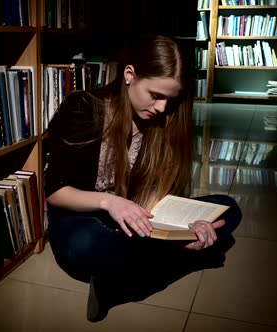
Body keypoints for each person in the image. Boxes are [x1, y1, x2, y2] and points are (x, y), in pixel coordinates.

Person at [44, 34, 242, 322]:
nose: (162, 108)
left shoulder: (166, 118)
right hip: (85, 218)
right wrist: (109, 202)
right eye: (155, 95)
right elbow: (55, 191)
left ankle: (118, 279)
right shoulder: (83, 109)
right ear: (129, 75)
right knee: (87, 244)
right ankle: (174, 258)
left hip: (139, 221)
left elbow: (159, 201)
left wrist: (184, 229)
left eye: (169, 99)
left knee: (229, 208)